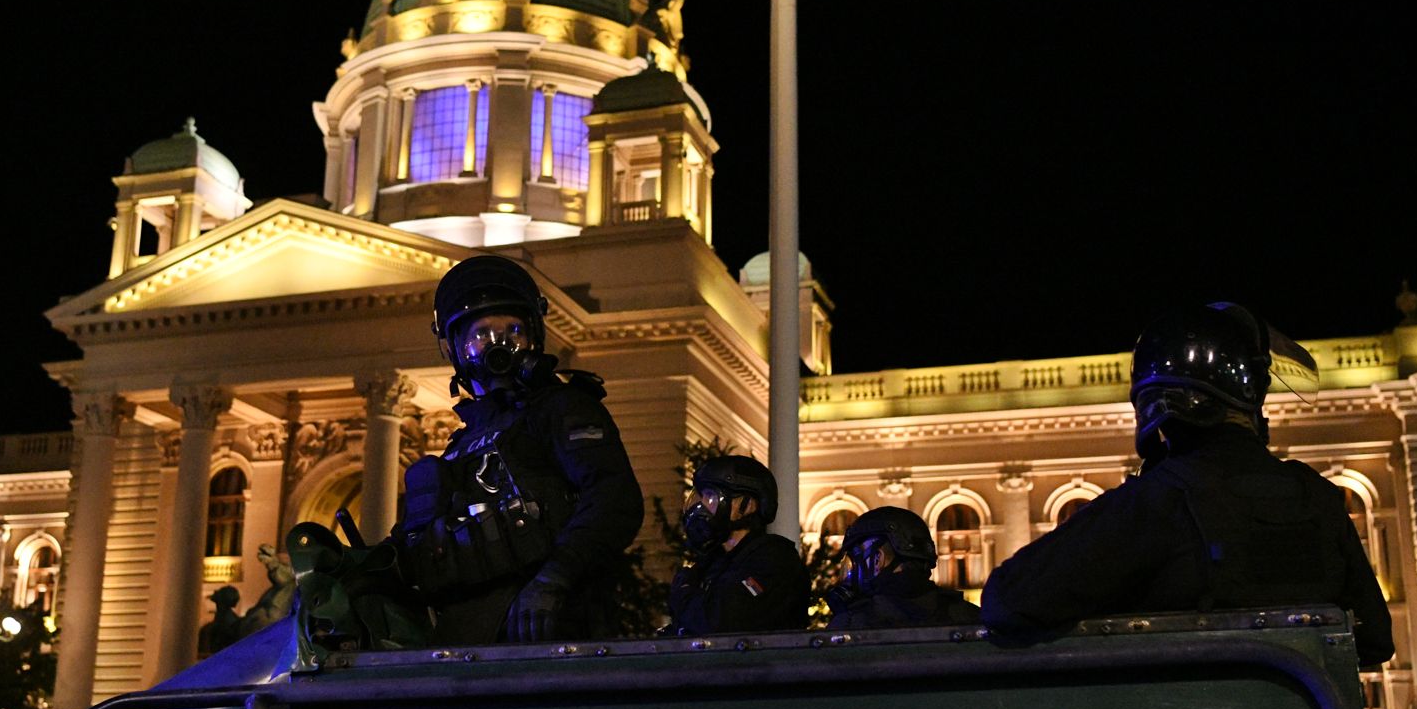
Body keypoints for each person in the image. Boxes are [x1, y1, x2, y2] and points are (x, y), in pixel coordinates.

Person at [980, 302, 1394, 666]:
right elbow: (1374, 639)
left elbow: (1010, 601)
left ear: (1159, 402)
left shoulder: (1157, 500)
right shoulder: (1316, 495)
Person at [394, 255, 643, 644]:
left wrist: (554, 579)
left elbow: (615, 500)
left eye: (513, 330)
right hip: (468, 638)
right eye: (482, 334)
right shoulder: (460, 444)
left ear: (534, 336)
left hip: (551, 628)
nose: (499, 345)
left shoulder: (560, 407)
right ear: (453, 347)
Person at [665, 454, 806, 635]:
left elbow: (722, 622)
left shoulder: (775, 561)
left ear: (747, 506)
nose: (700, 507)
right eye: (698, 497)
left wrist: (685, 592)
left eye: (710, 497)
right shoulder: (710, 564)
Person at [824, 506, 980, 629]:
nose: (850, 573)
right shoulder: (971, 616)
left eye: (853, 563)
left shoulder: (852, 623)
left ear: (877, 560)